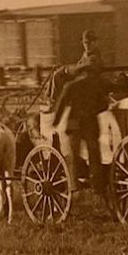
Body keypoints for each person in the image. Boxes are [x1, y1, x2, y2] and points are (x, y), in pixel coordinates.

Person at [47, 63, 109, 208]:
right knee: (94, 155)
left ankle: (75, 188)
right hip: (91, 124)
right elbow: (104, 105)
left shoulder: (71, 85)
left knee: (73, 156)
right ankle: (97, 186)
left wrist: (55, 122)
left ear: (80, 73)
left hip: (74, 125)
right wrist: (92, 111)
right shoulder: (96, 86)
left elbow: (61, 104)